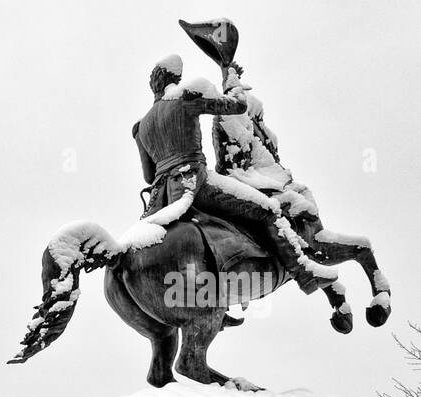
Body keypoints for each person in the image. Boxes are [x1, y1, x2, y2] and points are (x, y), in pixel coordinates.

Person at [133, 55, 333, 295]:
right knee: (268, 209)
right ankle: (304, 273)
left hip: (162, 197)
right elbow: (238, 106)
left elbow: (148, 175)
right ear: (177, 78)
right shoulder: (186, 97)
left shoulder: (141, 127)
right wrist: (232, 77)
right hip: (196, 182)